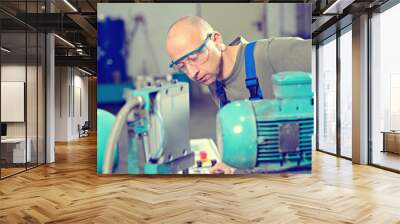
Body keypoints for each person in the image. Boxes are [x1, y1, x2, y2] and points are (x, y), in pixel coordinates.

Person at [166, 16, 311, 174]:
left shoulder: (270, 53)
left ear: (216, 40)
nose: (193, 73)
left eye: (195, 58)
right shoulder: (213, 82)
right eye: (182, 67)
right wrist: (231, 163)